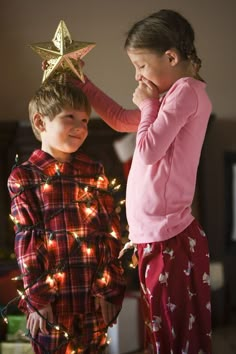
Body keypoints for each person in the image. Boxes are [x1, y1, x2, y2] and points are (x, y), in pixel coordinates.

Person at [68, 8, 213, 354]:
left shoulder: (185, 93)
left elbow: (146, 152)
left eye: (141, 66)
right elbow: (119, 119)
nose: (137, 76)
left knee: (173, 336)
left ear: (171, 57)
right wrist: (79, 82)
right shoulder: (172, 97)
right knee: (163, 332)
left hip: (168, 238)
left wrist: (149, 106)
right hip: (157, 236)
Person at [7, 73, 126, 354]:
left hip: (93, 299)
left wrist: (109, 290)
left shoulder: (93, 172)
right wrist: (40, 299)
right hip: (53, 305)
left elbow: (110, 232)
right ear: (40, 122)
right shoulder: (25, 176)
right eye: (69, 117)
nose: (80, 127)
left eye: (84, 120)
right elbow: (27, 242)